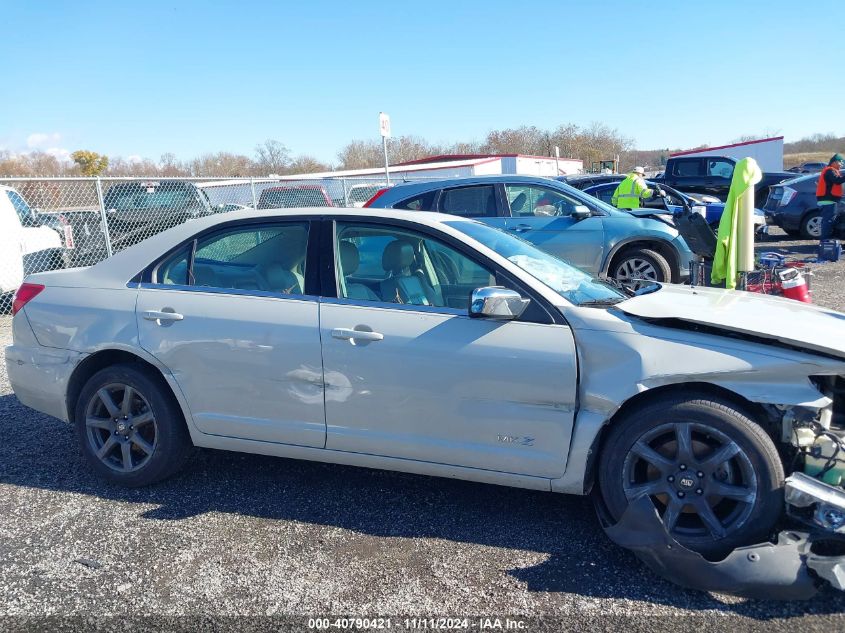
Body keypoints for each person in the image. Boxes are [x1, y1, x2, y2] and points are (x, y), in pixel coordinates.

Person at [816, 153, 845, 241]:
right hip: (828, 200)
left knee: (830, 220)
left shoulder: (831, 170)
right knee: (828, 221)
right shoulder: (829, 171)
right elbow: (837, 181)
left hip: (830, 200)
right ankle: (824, 242)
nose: (842, 165)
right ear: (835, 162)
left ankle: (828, 239)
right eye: (841, 163)